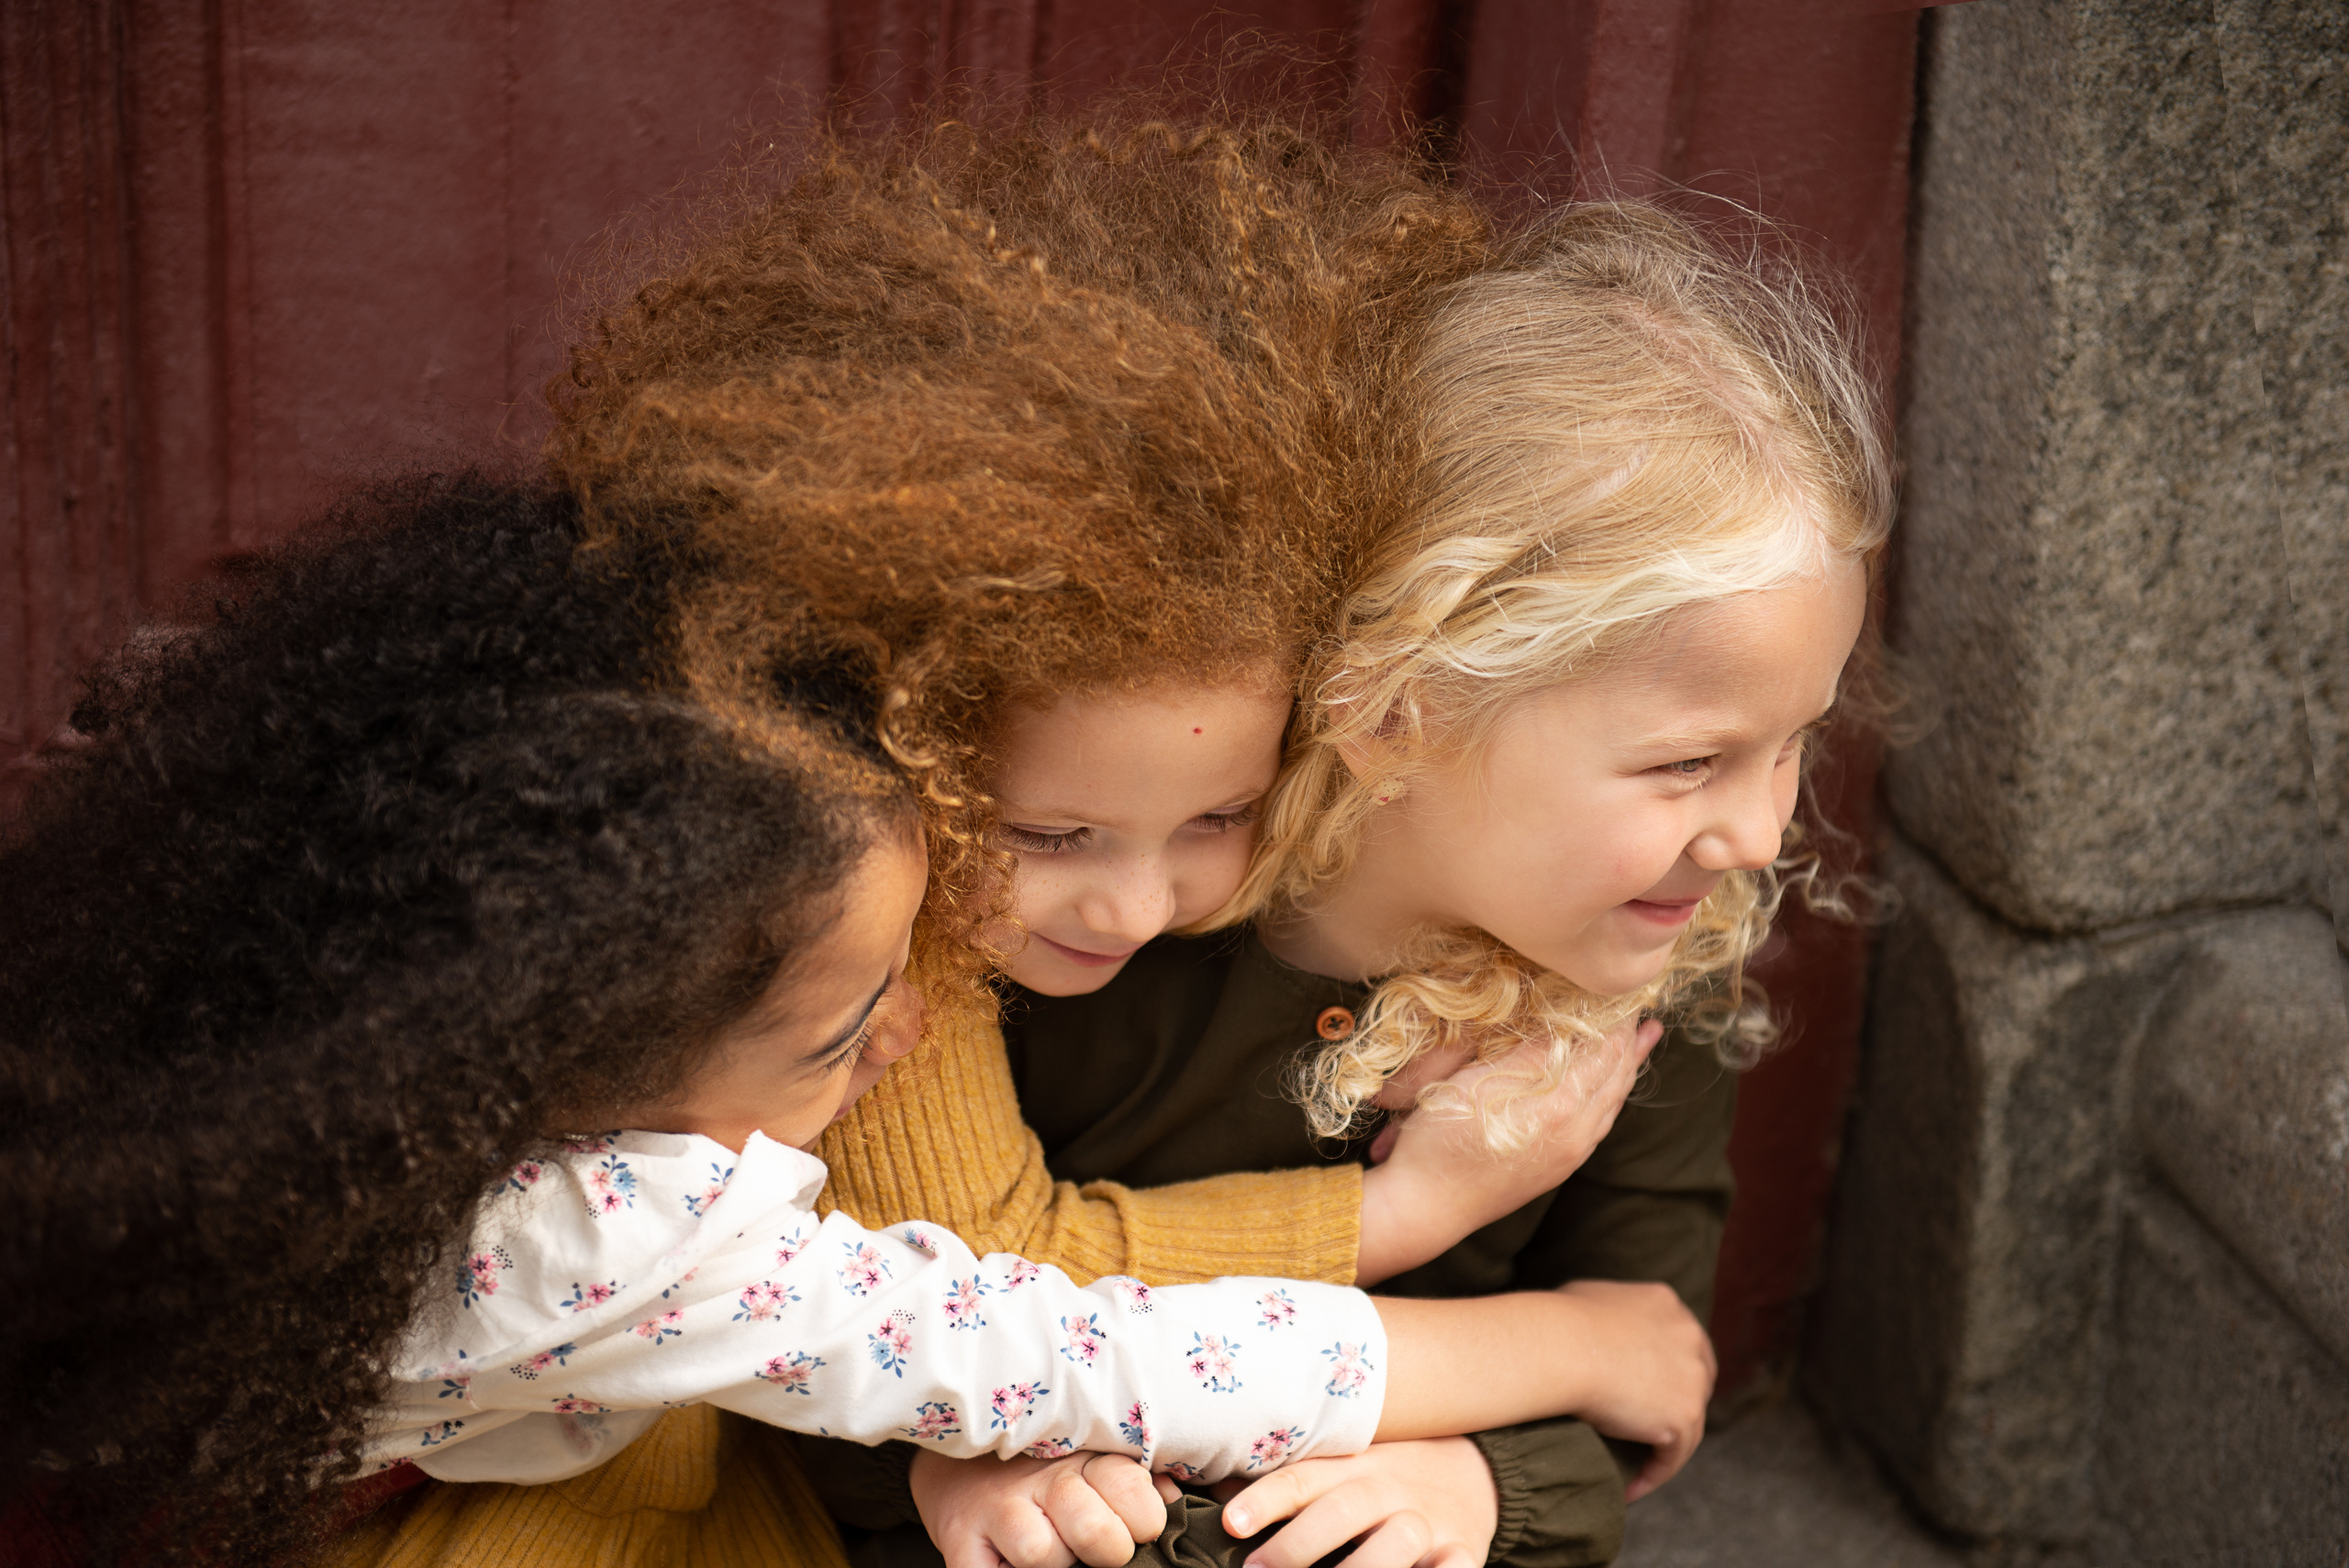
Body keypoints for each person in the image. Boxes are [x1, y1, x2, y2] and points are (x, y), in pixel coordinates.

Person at [0, 477, 1692, 1568]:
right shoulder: (610, 1239)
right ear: (582, 1065)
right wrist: (1582, 1343)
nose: (904, 1045)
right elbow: (1097, 1354)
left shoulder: (314, 1004)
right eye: (841, 1035)